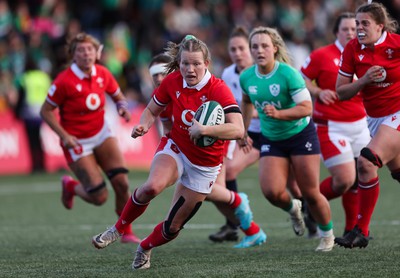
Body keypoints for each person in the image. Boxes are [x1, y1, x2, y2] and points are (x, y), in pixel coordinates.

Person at [92, 35, 267, 271]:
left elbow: (237, 129)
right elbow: (151, 110)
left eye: (196, 63)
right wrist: (143, 124)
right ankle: (118, 228)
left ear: (207, 63)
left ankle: (144, 247)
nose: (190, 69)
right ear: (179, 63)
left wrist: (206, 130)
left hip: (205, 166)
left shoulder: (218, 89)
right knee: (152, 186)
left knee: (172, 228)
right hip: (176, 147)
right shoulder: (172, 80)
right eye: (185, 63)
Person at [240, 26, 335, 252]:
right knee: (271, 192)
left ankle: (327, 235)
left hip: (301, 136)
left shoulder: (288, 74)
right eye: (255, 46)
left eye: (264, 46)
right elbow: (246, 101)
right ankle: (293, 208)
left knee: (311, 192)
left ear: (274, 48)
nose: (259, 50)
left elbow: (307, 108)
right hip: (272, 139)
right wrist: (242, 131)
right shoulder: (247, 76)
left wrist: (279, 114)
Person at [40, 32, 140, 244]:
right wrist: (65, 136)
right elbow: (46, 111)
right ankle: (71, 187)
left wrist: (123, 108)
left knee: (122, 183)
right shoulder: (64, 80)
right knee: (99, 197)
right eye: (81, 50)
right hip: (77, 142)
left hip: (102, 134)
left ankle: (126, 231)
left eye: (89, 50)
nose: (86, 54)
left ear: (97, 52)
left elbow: (117, 95)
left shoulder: (103, 73)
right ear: (73, 55)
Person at [334, 2, 400, 248]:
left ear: (380, 26)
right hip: (375, 119)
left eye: (364, 24)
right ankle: (360, 229)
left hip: (398, 114)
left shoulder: (396, 44)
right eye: (357, 24)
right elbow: (341, 92)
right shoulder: (352, 49)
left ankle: (361, 230)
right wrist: (363, 80)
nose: (358, 28)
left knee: (366, 161)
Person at [300, 12, 370, 237]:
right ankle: (310, 202)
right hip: (330, 125)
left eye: (355, 28)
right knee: (344, 179)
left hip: (361, 124)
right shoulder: (322, 55)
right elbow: (301, 78)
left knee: (359, 179)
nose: (352, 32)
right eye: (346, 29)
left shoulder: (366, 52)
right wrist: (318, 92)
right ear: (336, 32)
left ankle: (353, 229)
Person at [148, 53, 173, 135]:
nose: (159, 79)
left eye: (163, 73)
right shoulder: (157, 96)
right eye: (155, 75)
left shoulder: (187, 90)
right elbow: (168, 128)